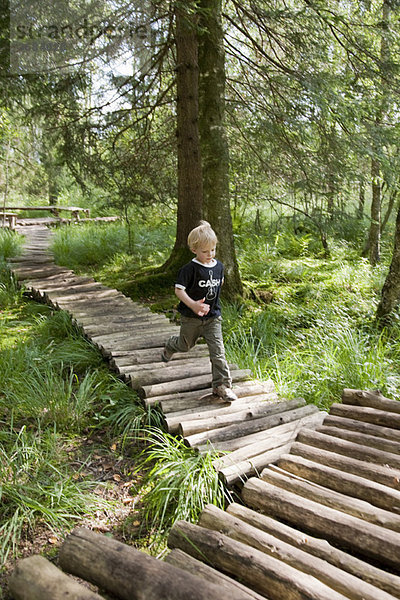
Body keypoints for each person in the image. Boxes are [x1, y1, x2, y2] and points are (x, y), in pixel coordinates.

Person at [162, 220, 238, 402]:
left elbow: (220, 283)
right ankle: (171, 345)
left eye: (213, 250)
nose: (210, 254)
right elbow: (179, 290)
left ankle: (222, 386)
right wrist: (194, 305)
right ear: (194, 249)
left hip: (213, 318)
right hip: (191, 319)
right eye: (205, 251)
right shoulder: (189, 270)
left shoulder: (219, 267)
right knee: (185, 345)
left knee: (218, 353)